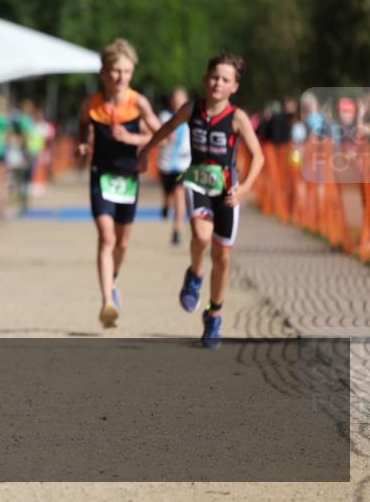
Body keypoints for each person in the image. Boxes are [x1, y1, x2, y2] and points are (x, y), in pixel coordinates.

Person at [137, 52, 264, 348]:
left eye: (225, 80)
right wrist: (146, 151)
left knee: (222, 256)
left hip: (227, 191)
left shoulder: (237, 118)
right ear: (206, 79)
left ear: (234, 87)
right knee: (201, 235)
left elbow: (259, 156)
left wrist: (244, 188)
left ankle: (214, 314)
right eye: (214, 77)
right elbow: (166, 129)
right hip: (197, 182)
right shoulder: (191, 108)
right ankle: (195, 273)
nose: (217, 83)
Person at [77, 39, 160, 329]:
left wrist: (133, 140)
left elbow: (162, 135)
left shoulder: (138, 103)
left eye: (126, 71)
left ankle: (113, 279)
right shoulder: (92, 104)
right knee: (107, 237)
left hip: (128, 177)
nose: (120, 77)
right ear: (104, 73)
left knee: (123, 242)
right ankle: (107, 301)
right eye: (115, 71)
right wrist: (84, 147)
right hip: (101, 174)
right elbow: (84, 131)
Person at [156, 88, 192, 245]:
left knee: (180, 195)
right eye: (176, 100)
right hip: (166, 165)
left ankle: (176, 231)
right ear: (171, 102)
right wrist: (165, 137)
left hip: (184, 165)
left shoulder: (191, 119)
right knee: (168, 194)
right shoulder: (164, 117)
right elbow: (156, 136)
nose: (178, 104)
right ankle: (165, 204)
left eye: (181, 100)